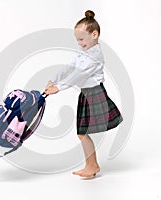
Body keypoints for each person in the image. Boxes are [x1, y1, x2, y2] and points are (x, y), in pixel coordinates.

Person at [44, 10, 123, 178]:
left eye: (81, 39)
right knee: (82, 132)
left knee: (81, 133)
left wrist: (58, 88)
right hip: (86, 94)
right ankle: (92, 165)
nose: (79, 43)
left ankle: (92, 165)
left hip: (94, 94)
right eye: (77, 40)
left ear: (94, 34)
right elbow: (70, 67)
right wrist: (53, 79)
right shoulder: (85, 52)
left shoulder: (95, 56)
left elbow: (78, 74)